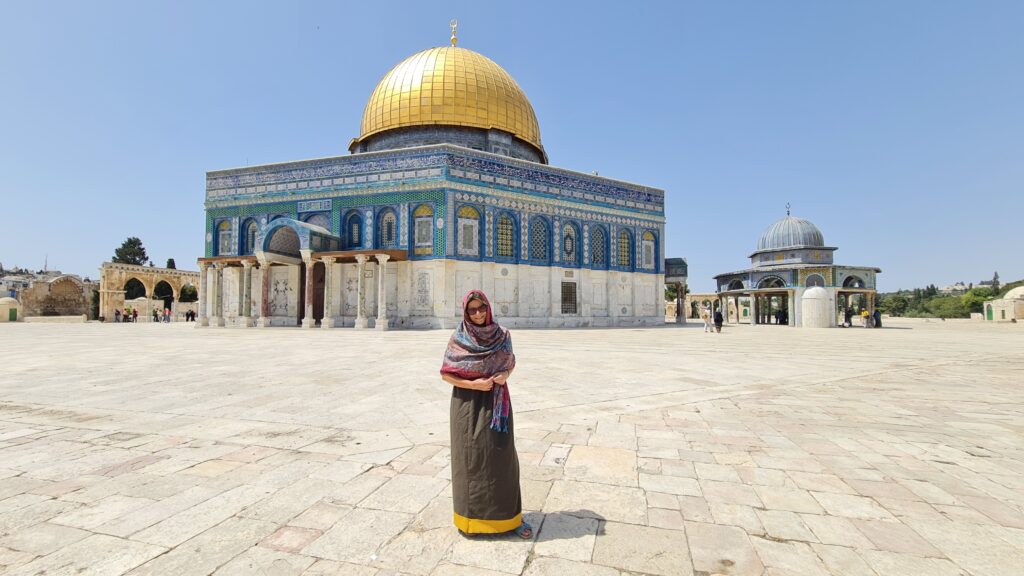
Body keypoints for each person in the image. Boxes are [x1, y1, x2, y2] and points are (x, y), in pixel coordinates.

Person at [440, 290, 532, 539]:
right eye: (472, 310)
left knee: (501, 459)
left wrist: (506, 376)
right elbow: (446, 373)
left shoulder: (503, 336)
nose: (478, 314)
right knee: (470, 462)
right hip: (467, 404)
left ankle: (509, 519)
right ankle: (470, 521)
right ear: (465, 312)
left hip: (497, 403)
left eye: (481, 308)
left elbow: (510, 362)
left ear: (488, 308)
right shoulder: (460, 337)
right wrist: (474, 385)